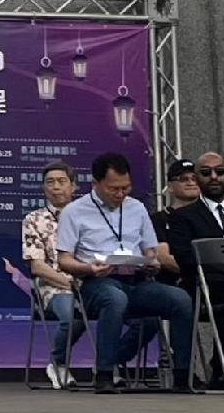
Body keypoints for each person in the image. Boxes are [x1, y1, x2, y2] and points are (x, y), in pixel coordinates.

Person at [56, 152, 193, 393]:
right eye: (113, 189)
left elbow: (150, 249)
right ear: (95, 183)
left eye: (125, 188)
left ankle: (183, 375)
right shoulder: (74, 212)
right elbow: (64, 260)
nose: (120, 194)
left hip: (136, 279)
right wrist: (89, 268)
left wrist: (151, 262)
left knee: (180, 299)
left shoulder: (136, 208)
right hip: (96, 282)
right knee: (115, 298)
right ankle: (105, 373)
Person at [168, 151, 224, 389]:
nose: (214, 177)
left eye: (220, 171)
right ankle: (222, 369)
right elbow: (185, 259)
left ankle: (221, 368)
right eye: (206, 173)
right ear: (197, 178)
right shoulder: (183, 217)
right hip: (204, 283)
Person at [21, 161, 86, 388]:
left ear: (73, 186)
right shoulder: (34, 220)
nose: (56, 187)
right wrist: (68, 283)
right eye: (50, 182)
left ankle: (110, 364)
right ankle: (58, 363)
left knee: (135, 314)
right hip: (54, 285)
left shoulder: (90, 217)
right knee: (73, 317)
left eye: (61, 181)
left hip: (92, 282)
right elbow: (38, 267)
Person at [151, 159, 199, 284]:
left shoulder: (209, 217)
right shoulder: (159, 219)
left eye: (195, 178)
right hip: (174, 284)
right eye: (183, 179)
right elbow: (164, 258)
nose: (191, 183)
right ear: (170, 187)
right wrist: (199, 271)